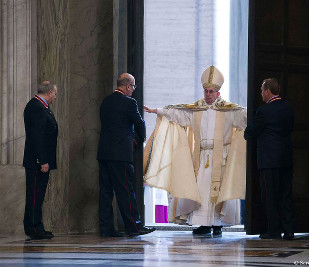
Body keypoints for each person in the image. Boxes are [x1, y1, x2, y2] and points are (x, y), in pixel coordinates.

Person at [144, 65, 247, 236]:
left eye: (211, 91)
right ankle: (204, 224)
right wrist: (158, 111)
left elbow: (245, 117)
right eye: (206, 91)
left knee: (218, 191)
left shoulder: (229, 111)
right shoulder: (196, 110)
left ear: (218, 93)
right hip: (201, 157)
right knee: (201, 191)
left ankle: (217, 224)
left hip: (221, 157)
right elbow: (178, 114)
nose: (208, 94)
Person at [97, 73, 155, 237]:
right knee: (126, 191)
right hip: (120, 154)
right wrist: (138, 139)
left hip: (104, 153)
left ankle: (106, 229)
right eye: (133, 87)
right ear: (128, 86)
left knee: (105, 192)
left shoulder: (105, 101)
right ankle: (134, 227)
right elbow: (140, 123)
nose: (133, 90)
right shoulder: (129, 102)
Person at [244, 78, 296, 240]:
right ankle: (289, 230)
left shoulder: (264, 111)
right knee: (286, 194)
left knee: (269, 196)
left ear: (267, 91)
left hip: (268, 160)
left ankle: (273, 230)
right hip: (286, 158)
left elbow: (250, 132)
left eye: (261, 90)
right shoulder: (288, 108)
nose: (261, 93)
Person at [23, 81, 58, 240]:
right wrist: (42, 160)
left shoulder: (40, 106)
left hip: (40, 160)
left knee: (38, 194)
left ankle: (36, 226)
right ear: (49, 92)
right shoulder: (36, 107)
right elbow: (37, 137)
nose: (55, 97)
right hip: (37, 161)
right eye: (55, 94)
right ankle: (34, 228)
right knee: (35, 195)